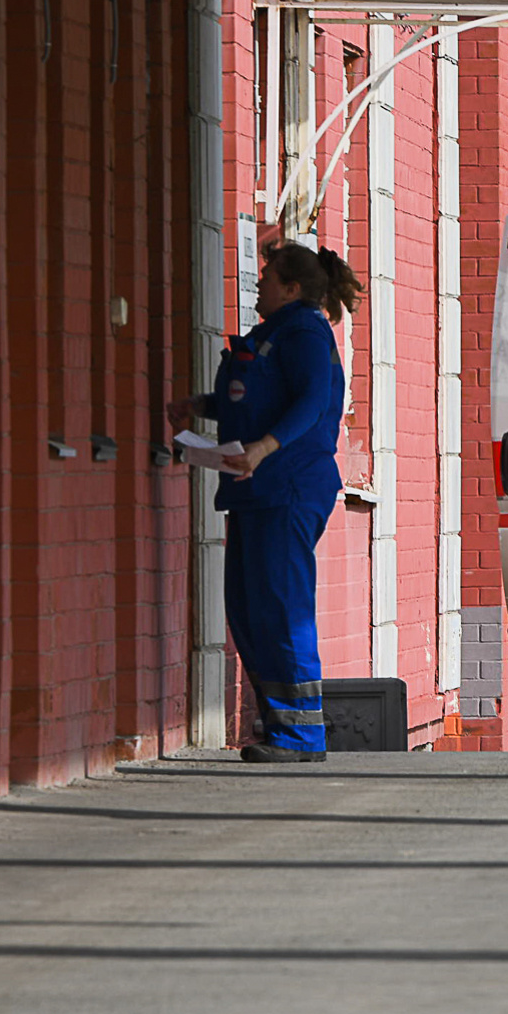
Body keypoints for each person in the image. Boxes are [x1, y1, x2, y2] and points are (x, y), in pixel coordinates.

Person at [166, 242, 362, 763]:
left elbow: (313, 401)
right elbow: (254, 400)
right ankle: (280, 726)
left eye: (268, 277)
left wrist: (263, 448)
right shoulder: (270, 333)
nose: (259, 285)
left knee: (281, 607)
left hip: (288, 489)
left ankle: (302, 738)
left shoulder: (303, 332)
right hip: (253, 491)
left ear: (293, 289)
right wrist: (200, 408)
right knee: (248, 608)